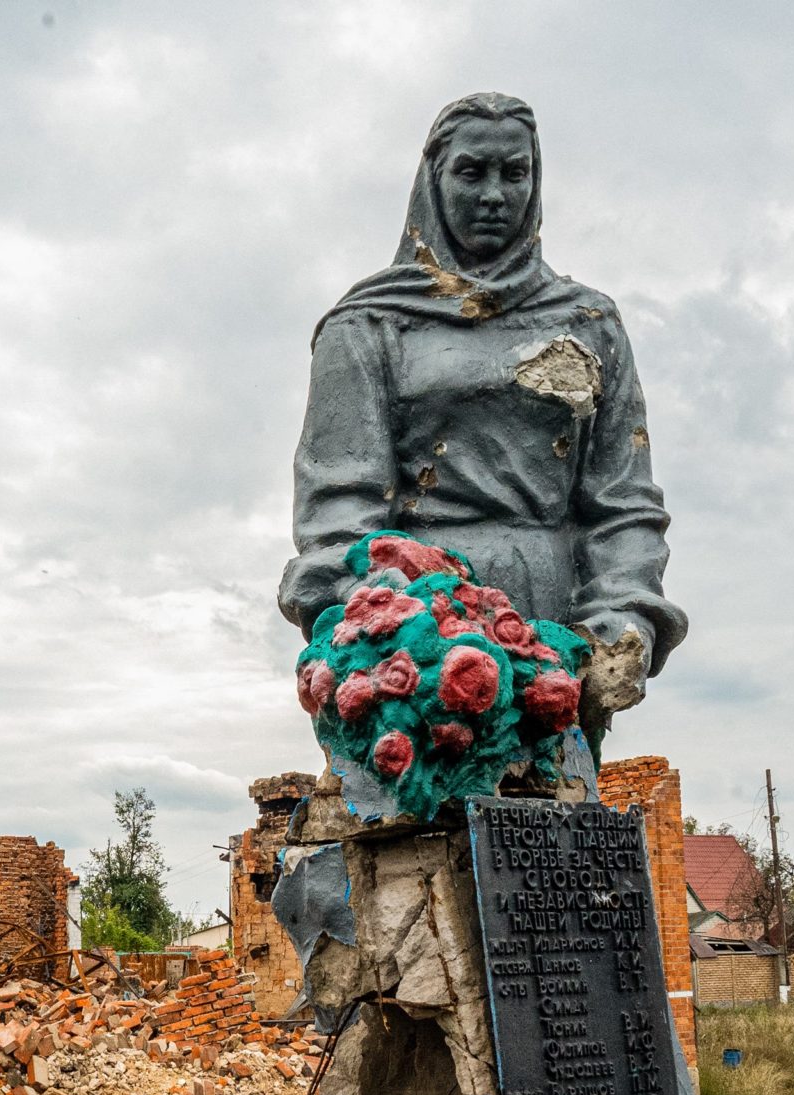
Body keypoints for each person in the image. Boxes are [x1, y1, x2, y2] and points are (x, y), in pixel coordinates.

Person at [278, 92, 684, 721]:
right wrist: (397, 630)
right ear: (433, 182)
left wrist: (621, 619)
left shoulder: (588, 323)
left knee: (554, 810)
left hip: (557, 628)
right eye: (472, 172)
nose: (495, 194)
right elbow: (340, 512)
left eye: (514, 173)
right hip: (416, 635)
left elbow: (622, 503)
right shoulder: (370, 325)